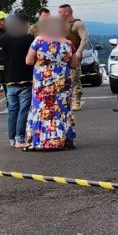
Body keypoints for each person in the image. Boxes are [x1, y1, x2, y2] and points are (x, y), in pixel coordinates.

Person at [24, 16, 76, 151]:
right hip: (62, 83)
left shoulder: (39, 41)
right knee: (61, 109)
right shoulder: (69, 44)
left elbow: (28, 61)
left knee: (41, 109)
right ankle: (64, 140)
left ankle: (39, 140)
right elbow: (74, 64)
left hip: (42, 83)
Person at [0, 14, 35, 147]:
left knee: (12, 110)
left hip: (9, 79)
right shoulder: (29, 38)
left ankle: (12, 139)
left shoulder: (3, 38)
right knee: (23, 110)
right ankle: (20, 138)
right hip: (25, 79)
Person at [58, 4, 88, 111]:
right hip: (61, 57)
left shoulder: (77, 24)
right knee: (61, 80)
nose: (58, 14)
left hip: (73, 56)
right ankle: (65, 101)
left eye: (60, 12)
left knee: (75, 79)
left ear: (67, 12)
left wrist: (79, 52)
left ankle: (77, 101)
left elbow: (84, 39)